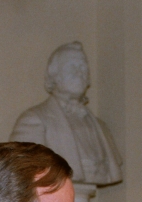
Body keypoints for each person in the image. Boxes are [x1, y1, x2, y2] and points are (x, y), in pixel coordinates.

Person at [10, 42, 122, 187]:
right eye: (72, 67)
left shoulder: (101, 127)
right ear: (54, 76)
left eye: (83, 68)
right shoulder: (33, 120)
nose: (80, 73)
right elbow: (22, 168)